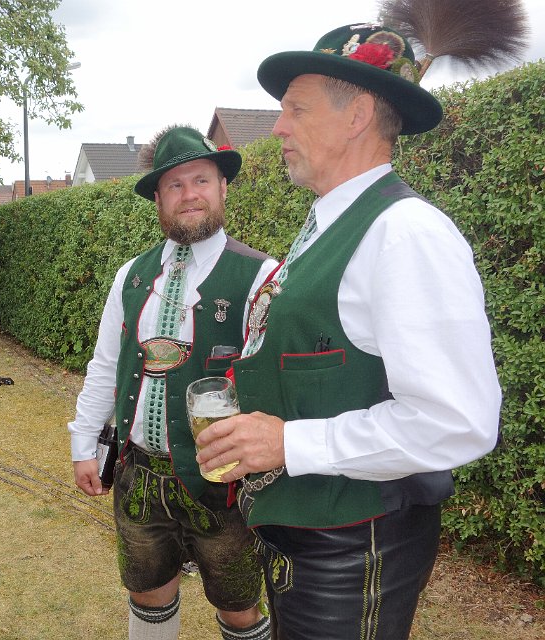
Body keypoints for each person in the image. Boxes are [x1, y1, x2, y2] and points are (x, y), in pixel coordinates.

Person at [194, 23, 502, 640]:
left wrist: (290, 443)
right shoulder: (329, 225)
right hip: (308, 539)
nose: (278, 128)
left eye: (296, 109)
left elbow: (457, 421)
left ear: (357, 115)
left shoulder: (406, 233)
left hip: (353, 551)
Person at [68, 126, 277, 640]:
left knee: (240, 608)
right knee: (147, 594)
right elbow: (105, 364)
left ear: (222, 187)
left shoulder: (260, 276)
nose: (189, 195)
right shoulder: (130, 276)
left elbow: (275, 386)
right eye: (175, 185)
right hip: (139, 471)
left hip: (223, 484)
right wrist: (83, 443)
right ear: (158, 199)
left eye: (201, 180)